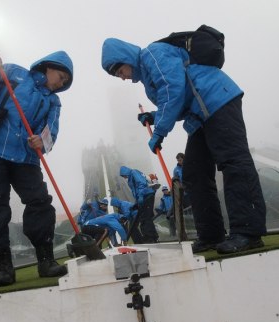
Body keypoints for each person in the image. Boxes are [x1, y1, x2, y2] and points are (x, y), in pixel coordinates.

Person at [102, 37, 266, 254]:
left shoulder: (152, 55)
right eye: (116, 75)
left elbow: (173, 89)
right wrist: (155, 115)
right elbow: (176, 100)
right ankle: (211, 235)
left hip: (218, 100)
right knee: (194, 173)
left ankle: (248, 232)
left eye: (118, 71)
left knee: (233, 161)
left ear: (125, 59)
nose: (121, 77)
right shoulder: (148, 75)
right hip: (200, 115)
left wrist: (159, 129)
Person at [0, 50, 73, 287]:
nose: (61, 82)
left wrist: (42, 142)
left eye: (65, 82)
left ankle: (46, 260)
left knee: (40, 202)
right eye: (61, 76)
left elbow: (51, 131)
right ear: (48, 67)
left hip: (26, 156)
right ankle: (3, 267)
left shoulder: (53, 101)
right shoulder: (15, 74)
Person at [119, 166, 159, 243]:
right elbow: (135, 191)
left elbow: (141, 183)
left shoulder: (134, 172)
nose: (124, 177)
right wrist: (137, 203)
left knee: (145, 217)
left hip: (146, 195)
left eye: (123, 175)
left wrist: (141, 196)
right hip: (144, 196)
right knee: (145, 217)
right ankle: (152, 236)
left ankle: (150, 237)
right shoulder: (130, 177)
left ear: (125, 172)